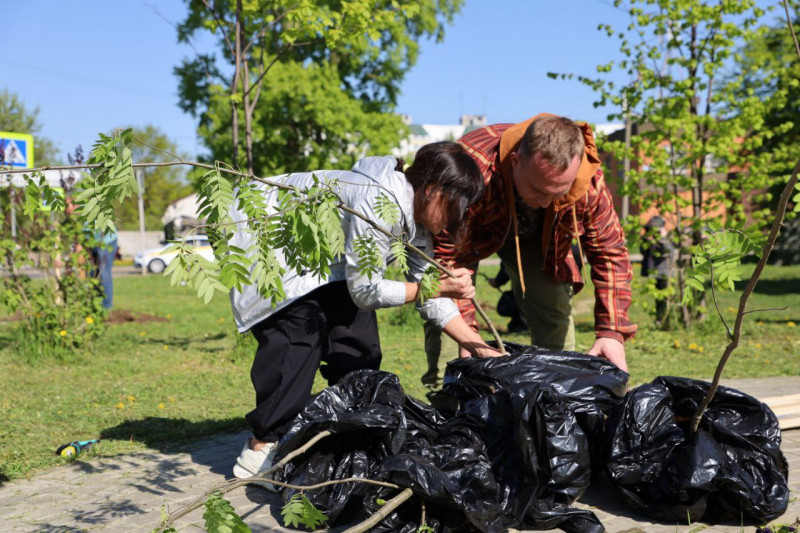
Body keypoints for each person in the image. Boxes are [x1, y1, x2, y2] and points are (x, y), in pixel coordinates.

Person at [228, 142, 501, 484]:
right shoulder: (377, 202)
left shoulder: (413, 219)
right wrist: (437, 288)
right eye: (454, 208)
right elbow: (368, 290)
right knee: (296, 342)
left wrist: (476, 345)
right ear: (433, 190)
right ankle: (261, 449)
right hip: (273, 257)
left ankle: (341, 435)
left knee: (360, 348)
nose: (453, 221)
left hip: (326, 271)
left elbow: (425, 287)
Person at [422, 114, 637, 398]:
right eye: (538, 190)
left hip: (540, 239)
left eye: (559, 193)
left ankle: (554, 400)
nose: (548, 201)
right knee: (450, 333)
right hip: (466, 237)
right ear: (515, 162)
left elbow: (609, 252)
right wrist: (469, 338)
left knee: (554, 307)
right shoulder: (471, 169)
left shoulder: (587, 181)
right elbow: (443, 258)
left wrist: (611, 331)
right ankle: (448, 407)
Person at [640, 215, 673, 324]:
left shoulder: (666, 238)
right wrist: (647, 241)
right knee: (658, 299)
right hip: (654, 272)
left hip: (665, 272)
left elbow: (668, 251)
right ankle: (659, 319)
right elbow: (643, 251)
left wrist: (662, 238)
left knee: (665, 298)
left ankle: (664, 319)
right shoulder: (649, 239)